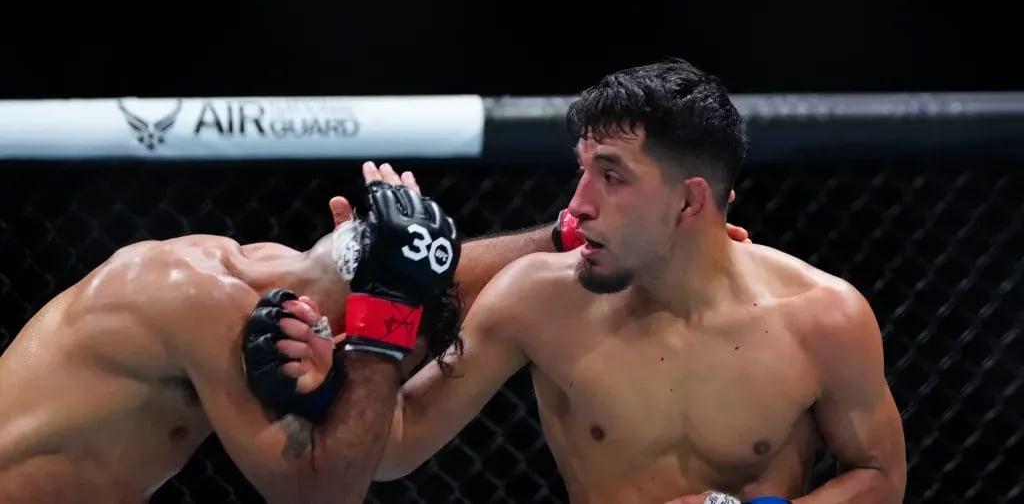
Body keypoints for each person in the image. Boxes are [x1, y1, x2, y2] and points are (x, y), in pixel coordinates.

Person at [256, 59, 907, 504]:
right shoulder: (538, 297)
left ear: (689, 202)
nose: (577, 204)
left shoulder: (822, 316)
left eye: (612, 175)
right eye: (582, 170)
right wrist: (344, 373)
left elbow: (880, 474)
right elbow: (395, 447)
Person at [0, 171, 467, 504]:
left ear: (341, 221)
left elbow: (400, 275)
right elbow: (321, 498)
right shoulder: (198, 301)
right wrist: (387, 327)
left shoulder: (256, 273)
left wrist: (542, 237)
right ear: (349, 331)